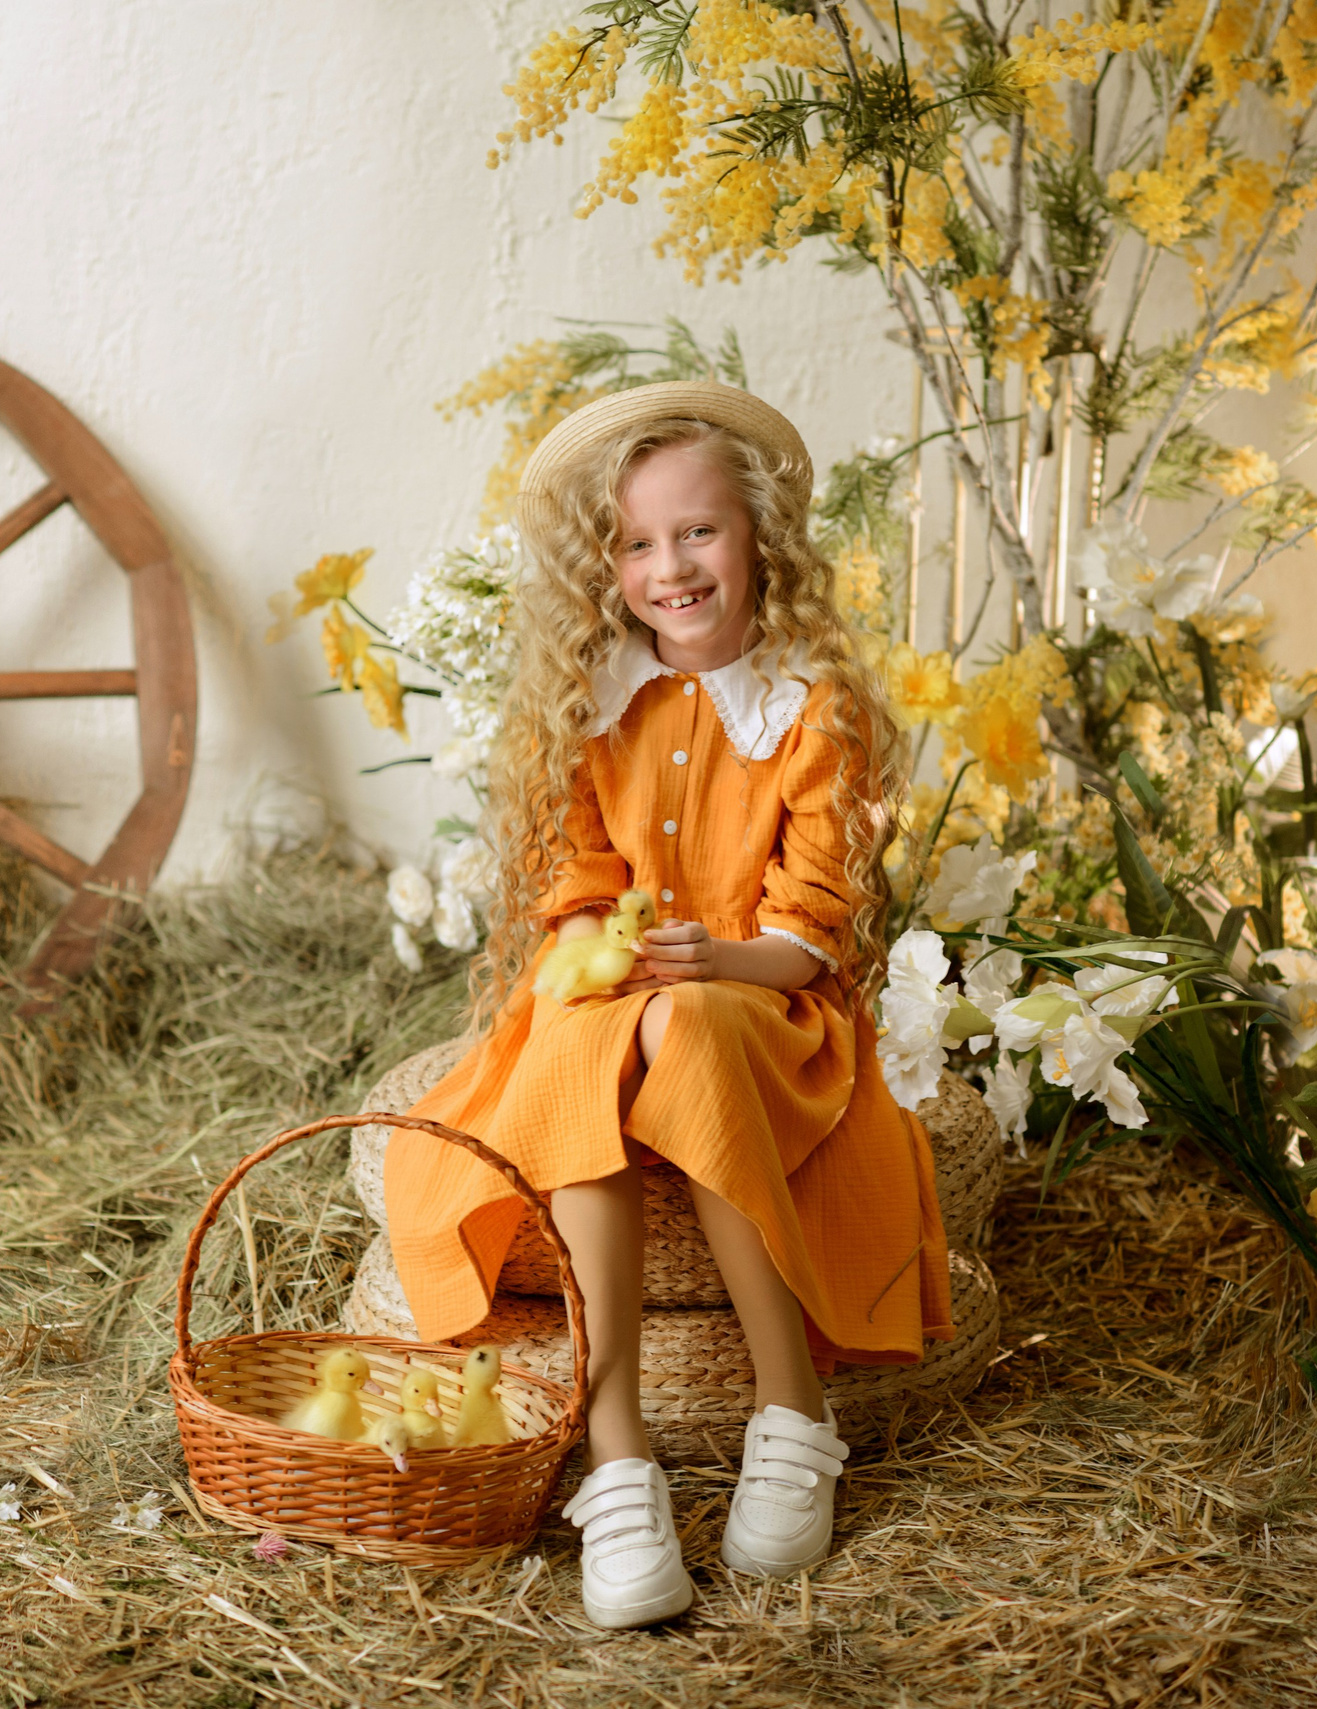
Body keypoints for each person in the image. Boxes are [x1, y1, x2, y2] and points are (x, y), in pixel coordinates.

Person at [384, 381, 952, 1629]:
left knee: (686, 1023)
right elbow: (576, 884)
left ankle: (790, 1410)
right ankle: (618, 1458)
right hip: (610, 993)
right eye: (637, 542)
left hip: (765, 1006)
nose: (670, 566)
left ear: (758, 537)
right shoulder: (590, 705)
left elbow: (811, 929)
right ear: (607, 565)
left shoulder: (811, 706)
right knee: (592, 1037)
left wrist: (713, 961)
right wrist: (606, 952)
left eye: (697, 531)